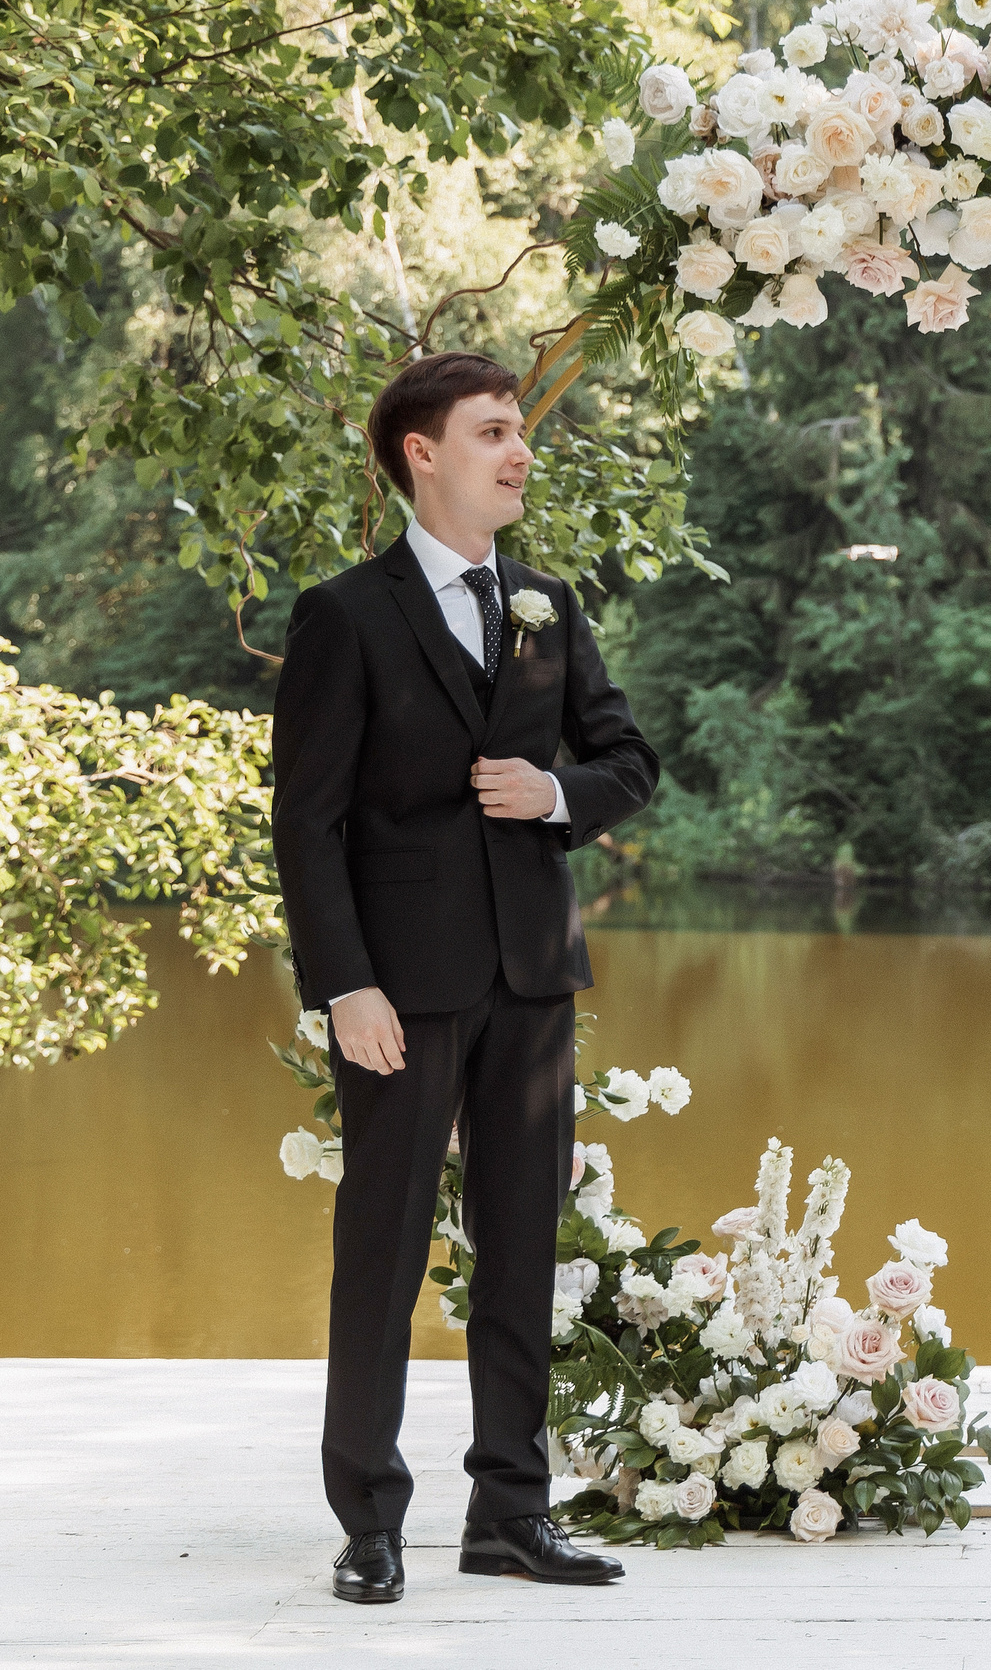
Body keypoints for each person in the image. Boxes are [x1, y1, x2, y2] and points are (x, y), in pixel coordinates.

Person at [272, 352, 660, 1603]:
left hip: (533, 980)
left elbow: (627, 761)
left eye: (520, 431)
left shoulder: (546, 602)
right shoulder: (346, 613)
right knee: (379, 1250)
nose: (520, 450)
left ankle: (509, 1515)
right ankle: (370, 1520)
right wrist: (346, 986)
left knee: (523, 1255)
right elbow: (307, 823)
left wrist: (556, 794)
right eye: (493, 431)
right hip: (402, 988)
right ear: (419, 454)